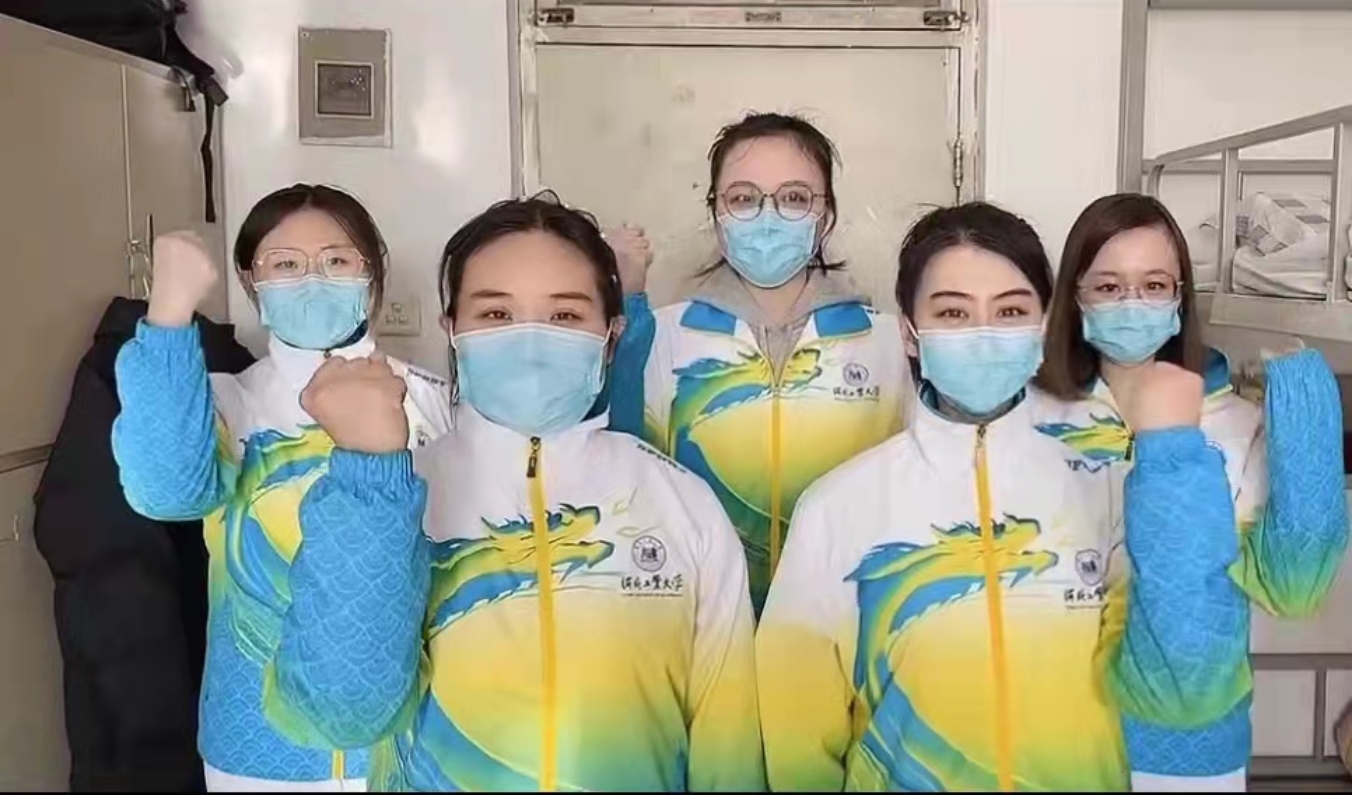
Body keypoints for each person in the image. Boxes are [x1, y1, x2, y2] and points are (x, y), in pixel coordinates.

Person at [756, 202, 1253, 792]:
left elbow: (1180, 683)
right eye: (953, 312)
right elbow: (795, 735)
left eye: (1011, 310)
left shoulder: (1110, 489)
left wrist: (1170, 455)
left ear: (1044, 326)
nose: (984, 334)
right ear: (909, 334)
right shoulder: (837, 508)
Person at [284, 194, 764, 792]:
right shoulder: (390, 500)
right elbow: (342, 713)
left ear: (611, 335)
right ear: (452, 330)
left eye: (564, 315)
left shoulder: (680, 502)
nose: (531, 340)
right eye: (495, 314)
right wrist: (367, 473)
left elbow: (727, 744)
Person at [111, 184, 452, 792]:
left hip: (411, 742)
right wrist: (168, 313)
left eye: (337, 260)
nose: (313, 279)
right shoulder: (226, 401)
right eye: (287, 264)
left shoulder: (430, 399)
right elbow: (166, 490)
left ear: (372, 274)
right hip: (261, 747)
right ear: (252, 282)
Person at [1036, 192, 1349, 782]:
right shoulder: (1031, 420)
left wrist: (1304, 397)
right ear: (1075, 299)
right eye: (1108, 287)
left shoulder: (1238, 427)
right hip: (1049, 738)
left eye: (1154, 285)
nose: (1133, 303)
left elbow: (1294, 590)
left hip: (1185, 749)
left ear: (1180, 299)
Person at [610, 112, 911, 615]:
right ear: (717, 215)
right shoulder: (661, 336)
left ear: (826, 216)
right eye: (744, 199)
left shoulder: (886, 343)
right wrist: (623, 305)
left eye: (794, 197)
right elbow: (622, 471)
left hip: (848, 622)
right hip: (702, 619)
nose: (768, 217)